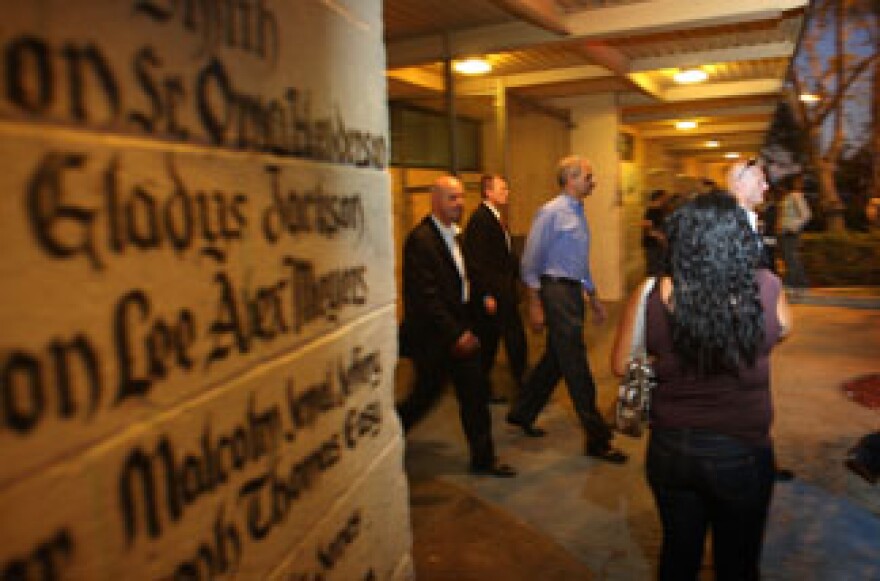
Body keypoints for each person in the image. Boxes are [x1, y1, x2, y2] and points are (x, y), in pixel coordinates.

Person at [611, 191, 792, 580]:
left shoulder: (650, 292)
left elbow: (620, 365)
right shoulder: (764, 286)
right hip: (741, 450)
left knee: (678, 554)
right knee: (737, 563)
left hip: (670, 448)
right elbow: (783, 330)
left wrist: (671, 353)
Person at [506, 155, 627, 463]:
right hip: (555, 291)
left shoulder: (577, 211)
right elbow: (530, 261)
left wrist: (594, 297)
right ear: (571, 179)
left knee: (556, 360)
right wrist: (534, 303)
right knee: (575, 365)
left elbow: (579, 262)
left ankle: (522, 412)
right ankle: (597, 439)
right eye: (588, 176)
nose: (593, 182)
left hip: (571, 291)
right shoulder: (551, 212)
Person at [397, 175, 516, 478]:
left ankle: (484, 458)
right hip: (436, 337)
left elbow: (464, 280)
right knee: (424, 395)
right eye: (452, 198)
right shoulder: (421, 241)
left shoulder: (455, 235)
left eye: (462, 197)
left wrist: (479, 305)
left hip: (462, 325)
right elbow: (426, 298)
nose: (460, 204)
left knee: (474, 396)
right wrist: (455, 334)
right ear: (435, 201)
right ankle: (391, 435)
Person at [461, 174, 528, 405]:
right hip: (494, 295)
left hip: (504, 292)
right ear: (488, 192)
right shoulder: (481, 219)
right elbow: (476, 261)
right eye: (502, 188)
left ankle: (513, 384)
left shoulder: (496, 217)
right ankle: (493, 388)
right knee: (497, 341)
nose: (507, 191)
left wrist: (521, 276)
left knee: (504, 339)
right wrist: (487, 294)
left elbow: (505, 255)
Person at [777, 174, 811, 295]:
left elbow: (806, 214)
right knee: (789, 258)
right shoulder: (788, 196)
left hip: (791, 231)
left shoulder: (796, 196)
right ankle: (801, 283)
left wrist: (794, 226)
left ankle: (792, 283)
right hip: (784, 232)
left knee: (791, 257)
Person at [641, 189, 671, 276]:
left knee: (659, 270)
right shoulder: (650, 212)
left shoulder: (661, 211)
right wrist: (661, 237)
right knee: (653, 271)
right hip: (652, 246)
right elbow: (647, 229)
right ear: (660, 198)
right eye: (665, 197)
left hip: (659, 246)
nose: (667, 200)